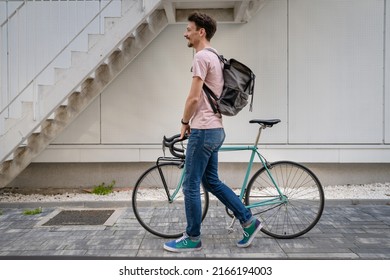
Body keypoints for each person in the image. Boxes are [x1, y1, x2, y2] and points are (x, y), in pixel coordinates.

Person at [163, 12, 262, 253]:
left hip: (204, 130)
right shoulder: (216, 56)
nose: (185, 33)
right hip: (216, 129)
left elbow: (194, 97)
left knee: (190, 185)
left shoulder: (201, 57)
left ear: (201, 32)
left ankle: (192, 237)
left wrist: (184, 122)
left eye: (188, 29)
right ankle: (249, 222)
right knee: (212, 182)